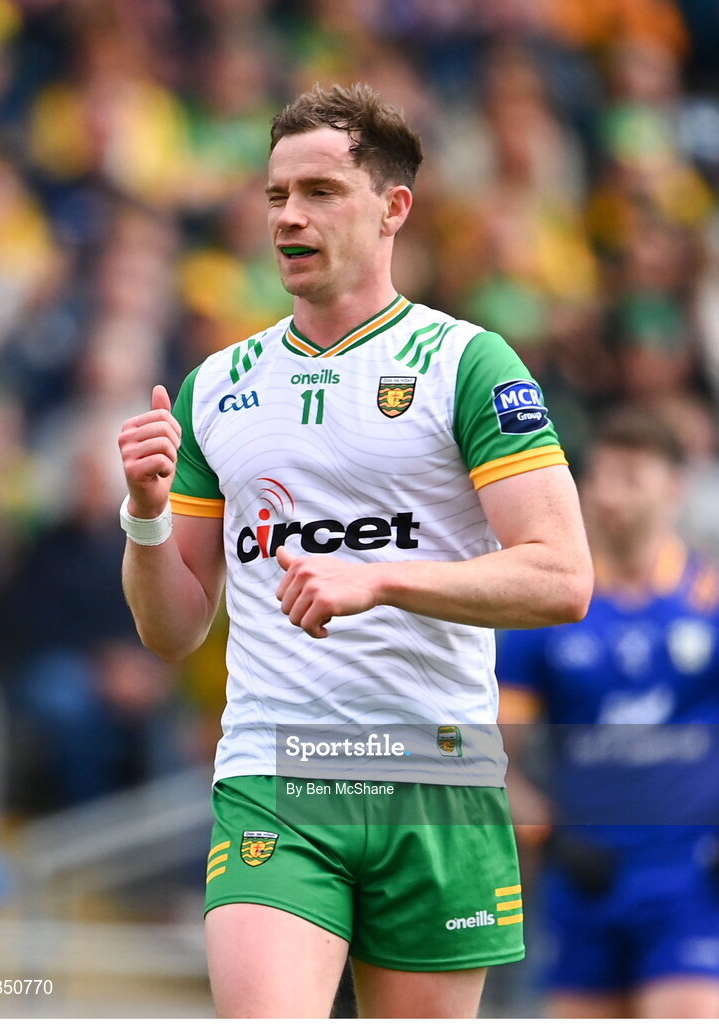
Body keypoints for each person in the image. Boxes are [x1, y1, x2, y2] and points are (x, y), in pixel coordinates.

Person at [118, 82, 593, 1019]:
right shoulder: (218, 384)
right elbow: (173, 630)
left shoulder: (468, 363)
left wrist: (380, 578)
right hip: (278, 771)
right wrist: (144, 516)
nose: (289, 215)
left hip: (439, 774)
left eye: (321, 192)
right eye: (275, 195)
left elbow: (562, 576)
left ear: (393, 208)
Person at [498, 406, 719, 1019]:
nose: (610, 494)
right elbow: (487, 758)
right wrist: (546, 832)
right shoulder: (549, 613)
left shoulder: (710, 601)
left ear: (673, 486)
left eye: (631, 476)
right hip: (585, 882)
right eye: (601, 476)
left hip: (691, 884)